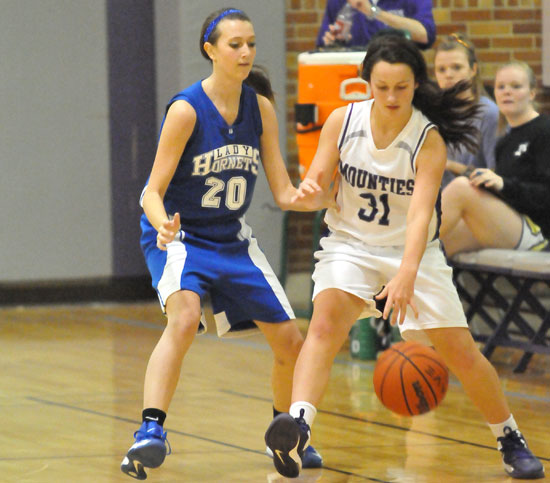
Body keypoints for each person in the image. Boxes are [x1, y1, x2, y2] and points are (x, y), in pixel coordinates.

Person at [264, 34, 545, 480]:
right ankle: (299, 427)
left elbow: (419, 217)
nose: (391, 96)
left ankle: (509, 437)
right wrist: (308, 194)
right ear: (367, 83)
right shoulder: (342, 120)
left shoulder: (427, 139)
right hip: (350, 245)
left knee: (462, 353)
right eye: (382, 87)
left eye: (401, 87)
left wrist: (407, 274)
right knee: (323, 324)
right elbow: (318, 186)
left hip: (411, 250)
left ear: (416, 84)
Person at [120, 8, 333, 480]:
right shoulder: (187, 109)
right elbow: (150, 191)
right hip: (182, 236)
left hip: (231, 237)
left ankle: (288, 436)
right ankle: (150, 431)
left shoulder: (261, 107)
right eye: (234, 44)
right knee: (185, 316)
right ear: (210, 50)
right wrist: (162, 225)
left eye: (250, 44)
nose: (245, 52)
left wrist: (308, 197)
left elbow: (281, 191)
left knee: (291, 339)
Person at [440, 61, 550, 257]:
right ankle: (394, 272)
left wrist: (503, 185)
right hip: (512, 223)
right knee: (437, 248)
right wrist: (488, 184)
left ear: (532, 93)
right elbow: (508, 195)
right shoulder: (504, 142)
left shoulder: (544, 130)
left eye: (516, 86)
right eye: (501, 87)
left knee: (461, 188)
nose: (507, 92)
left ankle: (402, 252)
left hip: (540, 234)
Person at [433, 33, 499, 188]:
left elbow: (496, 176)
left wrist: (450, 165)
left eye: (456, 67)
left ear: (473, 69)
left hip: (475, 198)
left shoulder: (488, 113)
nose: (448, 75)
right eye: (441, 69)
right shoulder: (432, 111)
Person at [317, 0, 435, 50]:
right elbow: (321, 47)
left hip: (398, 77)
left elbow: (425, 35)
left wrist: (373, 12)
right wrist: (332, 44)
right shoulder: (339, 2)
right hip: (353, 79)